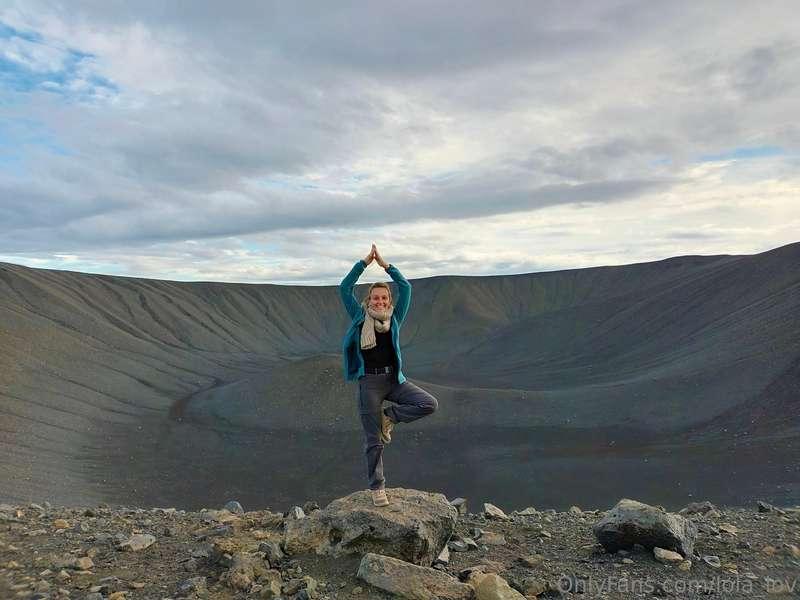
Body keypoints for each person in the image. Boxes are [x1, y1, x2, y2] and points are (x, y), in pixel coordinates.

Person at [339, 244, 439, 506]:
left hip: (394, 380)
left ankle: (389, 417)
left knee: (428, 403)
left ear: (389, 301)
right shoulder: (359, 317)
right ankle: (377, 487)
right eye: (375, 298)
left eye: (384, 298)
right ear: (368, 301)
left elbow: (406, 287)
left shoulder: (395, 318)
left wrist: (386, 265)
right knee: (373, 440)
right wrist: (363, 263)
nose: (380, 301)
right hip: (369, 382)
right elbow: (343, 288)